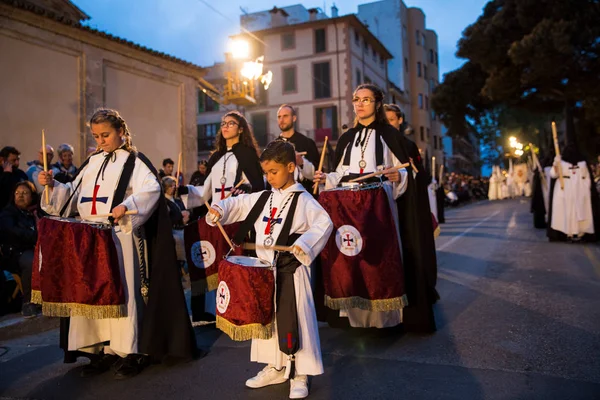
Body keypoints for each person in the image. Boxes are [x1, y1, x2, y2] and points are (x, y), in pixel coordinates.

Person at [38, 108, 197, 378]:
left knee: (123, 294)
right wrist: (52, 186)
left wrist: (127, 204)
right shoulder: (92, 162)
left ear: (121, 132)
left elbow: (151, 189)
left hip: (119, 237)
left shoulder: (135, 161)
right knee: (92, 293)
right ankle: (98, 349)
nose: (100, 141)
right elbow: (71, 196)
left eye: (105, 135)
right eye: (96, 136)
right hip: (89, 238)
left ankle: (129, 350)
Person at [207, 140, 333, 399]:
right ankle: (275, 367)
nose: (269, 177)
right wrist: (220, 208)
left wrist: (304, 245)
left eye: (273, 172)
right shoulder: (264, 197)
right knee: (268, 320)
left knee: (295, 320)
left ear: (290, 167)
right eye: (266, 173)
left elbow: (324, 223)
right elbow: (238, 204)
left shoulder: (304, 200)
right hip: (263, 272)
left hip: (291, 272)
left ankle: (299, 373)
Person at [314, 85, 409, 329]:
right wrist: (327, 178)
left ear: (377, 104)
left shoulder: (389, 135)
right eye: (357, 99)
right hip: (349, 203)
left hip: (378, 203)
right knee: (352, 254)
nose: (360, 104)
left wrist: (400, 177)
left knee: (377, 258)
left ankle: (383, 317)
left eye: (366, 100)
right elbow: (341, 172)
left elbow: (402, 167)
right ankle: (357, 316)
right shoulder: (347, 137)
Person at [178, 110, 265, 324]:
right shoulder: (215, 157)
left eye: (231, 123)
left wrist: (243, 188)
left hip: (237, 217)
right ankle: (211, 311)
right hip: (215, 218)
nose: (225, 126)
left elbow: (255, 185)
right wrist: (185, 190)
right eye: (223, 123)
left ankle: (238, 309)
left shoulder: (247, 154)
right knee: (209, 259)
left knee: (232, 262)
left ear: (241, 128)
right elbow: (204, 192)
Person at [383, 102, 439, 332]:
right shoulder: (380, 145)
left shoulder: (408, 145)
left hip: (407, 210)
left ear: (400, 121)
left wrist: (404, 176)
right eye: (385, 121)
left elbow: (420, 177)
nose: (389, 124)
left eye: (392, 120)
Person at [0, 181, 42, 317]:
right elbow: (14, 232)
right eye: (17, 193)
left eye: (24, 193)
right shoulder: (8, 213)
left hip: (31, 248)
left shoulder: (33, 212)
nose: (20, 196)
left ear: (32, 196)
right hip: (14, 253)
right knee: (32, 261)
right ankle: (28, 302)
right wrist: (35, 236)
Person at [547, 143, 599, 242]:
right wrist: (555, 164)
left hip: (580, 189)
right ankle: (568, 233)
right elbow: (554, 175)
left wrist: (586, 187)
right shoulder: (561, 162)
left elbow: (587, 177)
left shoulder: (582, 163)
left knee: (581, 211)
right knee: (567, 211)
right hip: (565, 189)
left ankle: (580, 232)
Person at [276, 104, 320, 194]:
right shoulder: (273, 146)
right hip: (280, 194)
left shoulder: (307, 143)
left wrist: (302, 162)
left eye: (285, 116)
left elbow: (317, 173)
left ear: (294, 118)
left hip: (304, 194)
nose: (281, 120)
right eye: (279, 117)